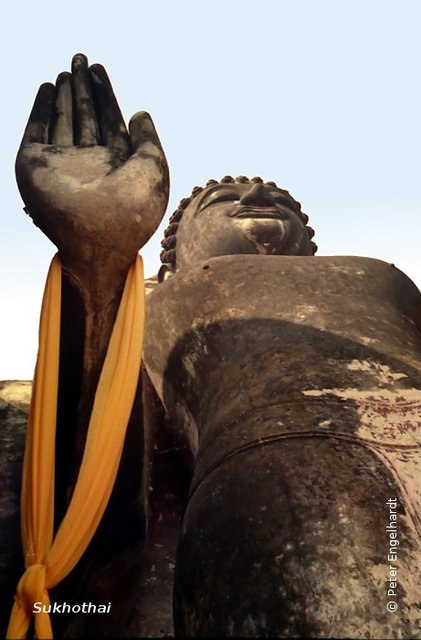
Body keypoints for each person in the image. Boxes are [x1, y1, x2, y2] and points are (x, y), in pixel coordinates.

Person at [7, 53, 421, 638]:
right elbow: (105, 470)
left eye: (281, 199)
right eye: (221, 200)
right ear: (177, 250)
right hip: (296, 496)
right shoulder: (164, 300)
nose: (256, 192)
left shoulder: (380, 275)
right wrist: (99, 266)